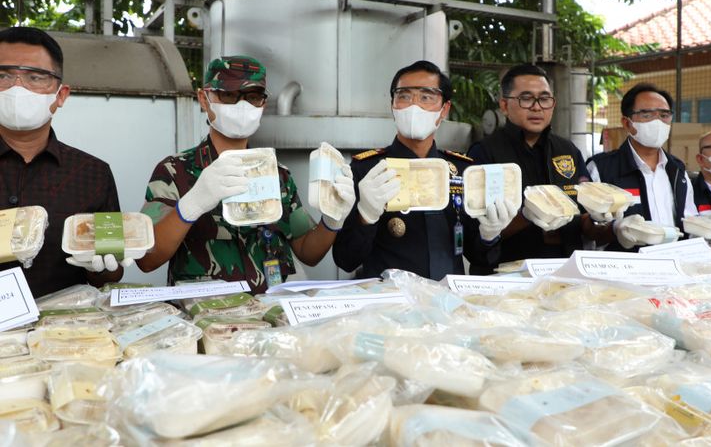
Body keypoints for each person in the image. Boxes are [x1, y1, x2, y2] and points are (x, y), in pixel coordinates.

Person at [137, 56, 355, 293]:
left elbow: (307, 250)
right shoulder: (174, 171)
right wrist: (191, 205)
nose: (242, 106)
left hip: (268, 317)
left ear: (263, 103)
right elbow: (147, 259)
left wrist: (333, 219)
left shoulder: (277, 175)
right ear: (204, 98)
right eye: (229, 95)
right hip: (204, 319)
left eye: (253, 97)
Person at [332, 60, 515, 280]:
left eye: (426, 97)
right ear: (393, 105)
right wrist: (365, 216)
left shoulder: (462, 171)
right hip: (388, 305)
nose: (413, 106)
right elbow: (345, 260)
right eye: (404, 96)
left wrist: (490, 234)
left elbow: (481, 259)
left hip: (446, 303)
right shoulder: (368, 170)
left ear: (444, 109)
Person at [0, 26, 124, 297]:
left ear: (61, 95)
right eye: (4, 75)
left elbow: (110, 276)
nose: (17, 88)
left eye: (35, 77)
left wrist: (103, 265)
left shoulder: (93, 174)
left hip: (65, 330)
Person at [468, 63, 601, 268]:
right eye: (526, 98)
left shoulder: (567, 150)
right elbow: (474, 237)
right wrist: (525, 216)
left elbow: (584, 217)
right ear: (504, 106)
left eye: (545, 98)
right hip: (509, 275)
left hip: (565, 272)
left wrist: (601, 217)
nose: (537, 106)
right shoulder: (484, 153)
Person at [587, 83, 699, 249]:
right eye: (647, 115)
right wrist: (615, 229)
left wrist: (702, 226)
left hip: (674, 264)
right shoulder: (602, 168)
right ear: (627, 123)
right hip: (624, 268)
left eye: (664, 115)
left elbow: (688, 219)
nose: (658, 122)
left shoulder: (677, 170)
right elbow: (586, 227)